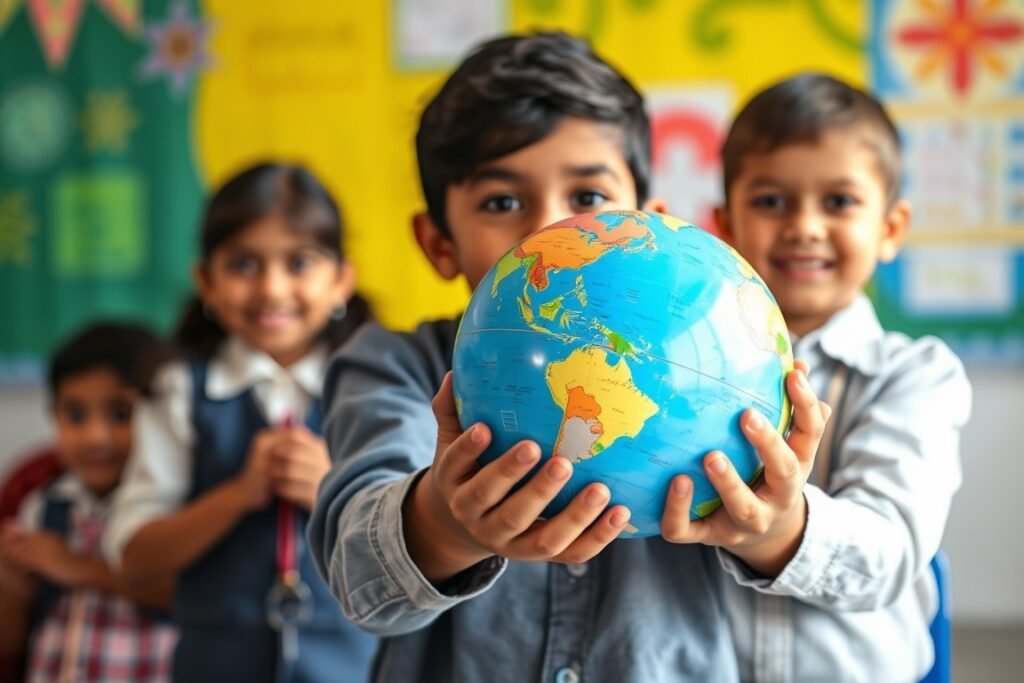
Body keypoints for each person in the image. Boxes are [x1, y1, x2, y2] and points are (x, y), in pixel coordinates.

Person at [308, 32, 829, 682]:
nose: (553, 230)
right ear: (437, 242)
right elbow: (358, 582)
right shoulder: (388, 364)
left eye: (587, 198)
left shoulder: (728, 363)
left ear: (651, 222)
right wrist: (445, 523)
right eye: (503, 202)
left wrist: (773, 525)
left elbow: (844, 578)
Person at [712, 72, 972, 682]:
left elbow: (891, 551)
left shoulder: (917, 375)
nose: (805, 225)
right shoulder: (679, 377)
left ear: (890, 228)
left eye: (839, 201)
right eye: (771, 200)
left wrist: (781, 528)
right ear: (725, 227)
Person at [102, 163, 376, 683]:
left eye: (299, 263)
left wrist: (331, 492)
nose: (272, 289)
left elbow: (425, 541)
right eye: (244, 264)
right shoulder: (178, 391)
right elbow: (134, 559)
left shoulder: (378, 387)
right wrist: (235, 496)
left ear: (341, 280)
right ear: (206, 280)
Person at [0, 322, 177, 683]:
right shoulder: (39, 503)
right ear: (54, 417)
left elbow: (186, 597)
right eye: (76, 415)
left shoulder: (176, 508)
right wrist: (11, 590)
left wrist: (78, 567)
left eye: (120, 414)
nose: (96, 437)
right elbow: (11, 639)